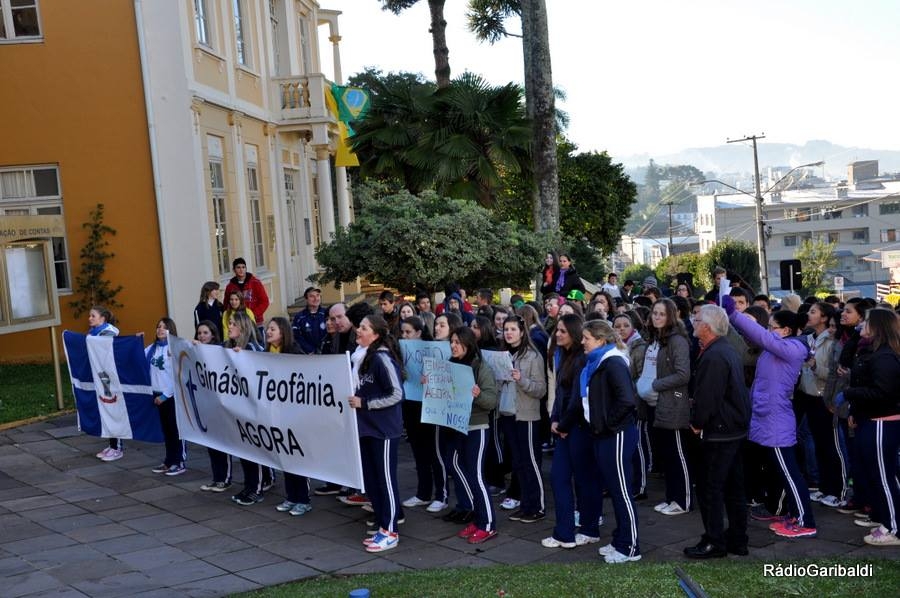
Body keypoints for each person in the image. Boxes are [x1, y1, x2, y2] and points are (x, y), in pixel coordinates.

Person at [724, 296, 817, 538]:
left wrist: (734, 315)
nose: (768, 331)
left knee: (790, 473)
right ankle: (795, 514)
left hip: (777, 420)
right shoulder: (779, 348)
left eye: (772, 327)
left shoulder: (792, 348)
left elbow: (761, 337)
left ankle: (805, 521)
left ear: (785, 330)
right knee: (783, 471)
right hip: (769, 418)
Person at [683, 304, 751, 558]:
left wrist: (697, 422)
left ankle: (715, 541)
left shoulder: (714, 355)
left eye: (697, 318)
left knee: (711, 488)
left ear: (707, 327)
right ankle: (737, 538)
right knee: (733, 488)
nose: (693, 321)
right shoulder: (723, 349)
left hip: (720, 431)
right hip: (732, 428)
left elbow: (708, 397)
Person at [581, 319, 641, 563]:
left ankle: (630, 547)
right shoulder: (600, 362)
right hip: (606, 434)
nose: (582, 341)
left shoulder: (613, 362)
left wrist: (607, 425)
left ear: (601, 340)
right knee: (616, 491)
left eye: (587, 337)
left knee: (622, 491)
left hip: (616, 435)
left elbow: (627, 400)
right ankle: (620, 538)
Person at [542, 314, 603, 549]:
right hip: (566, 427)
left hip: (578, 429)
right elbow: (560, 394)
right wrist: (555, 419)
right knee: (560, 478)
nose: (557, 334)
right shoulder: (564, 356)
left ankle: (586, 529)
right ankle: (566, 532)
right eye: (556, 330)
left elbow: (579, 399)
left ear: (575, 335)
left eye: (563, 331)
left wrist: (563, 425)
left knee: (584, 480)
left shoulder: (580, 360)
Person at [842, 308, 900, 546]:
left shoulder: (884, 356)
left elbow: (882, 393)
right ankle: (886, 518)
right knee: (880, 475)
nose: (861, 325)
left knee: (884, 476)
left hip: (882, 423)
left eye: (866, 321)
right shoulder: (872, 351)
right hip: (872, 420)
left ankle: (894, 528)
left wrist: (849, 393)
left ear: (877, 326)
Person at [348, 315, 405, 553]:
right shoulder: (360, 358)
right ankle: (383, 525)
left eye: (363, 328)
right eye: (359, 327)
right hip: (366, 429)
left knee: (385, 481)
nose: (357, 331)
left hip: (383, 430)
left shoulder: (382, 359)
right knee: (372, 481)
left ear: (376, 335)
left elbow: (396, 394)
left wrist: (365, 403)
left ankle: (391, 530)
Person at [448, 327, 500, 544]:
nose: (453, 345)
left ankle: (488, 524)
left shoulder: (481, 367)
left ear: (468, 345)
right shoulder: (451, 365)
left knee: (477, 477)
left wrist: (477, 395)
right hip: (457, 426)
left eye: (457, 342)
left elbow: (490, 401)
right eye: (451, 341)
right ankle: (478, 520)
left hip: (476, 427)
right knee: (467, 474)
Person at [642, 299, 693, 516]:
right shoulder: (658, 339)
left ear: (671, 316)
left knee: (678, 454)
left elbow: (683, 374)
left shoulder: (677, 340)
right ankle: (671, 497)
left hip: (674, 404)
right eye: (655, 313)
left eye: (662, 314)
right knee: (667, 455)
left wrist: (655, 384)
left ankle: (682, 500)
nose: (657, 317)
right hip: (659, 403)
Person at [794, 302, 845, 507]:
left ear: (824, 318)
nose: (809, 314)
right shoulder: (809, 338)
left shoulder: (831, 341)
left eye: (813, 312)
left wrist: (814, 365)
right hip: (808, 395)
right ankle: (824, 488)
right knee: (819, 445)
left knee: (831, 445)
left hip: (825, 397)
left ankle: (838, 489)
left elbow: (831, 374)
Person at [500, 314, 548, 523]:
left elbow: (541, 389)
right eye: (506, 329)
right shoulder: (502, 354)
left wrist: (522, 380)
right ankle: (525, 504)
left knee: (531, 462)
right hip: (508, 413)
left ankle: (537, 506)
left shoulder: (532, 356)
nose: (508, 333)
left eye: (512, 329)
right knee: (518, 463)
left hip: (527, 415)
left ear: (522, 331)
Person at [265, 317, 313, 517]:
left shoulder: (293, 351)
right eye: (268, 328)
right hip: (277, 413)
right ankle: (291, 496)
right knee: (284, 456)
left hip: (294, 414)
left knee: (297, 457)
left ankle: (303, 499)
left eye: (272, 329)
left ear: (283, 332)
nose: (268, 331)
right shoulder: (266, 353)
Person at [224, 311, 268, 506]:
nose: (229, 326)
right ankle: (249, 486)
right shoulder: (230, 347)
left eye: (233, 323)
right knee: (243, 449)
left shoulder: (251, 348)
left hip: (252, 409)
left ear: (242, 327)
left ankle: (256, 489)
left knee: (253, 451)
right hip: (239, 408)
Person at [194, 321, 234, 493]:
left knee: (222, 443)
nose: (202, 336)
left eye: (205, 333)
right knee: (211, 443)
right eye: (199, 333)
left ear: (213, 334)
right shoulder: (196, 351)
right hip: (206, 405)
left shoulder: (219, 351)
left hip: (219, 405)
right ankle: (216, 477)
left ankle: (225, 479)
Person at [147, 318, 187, 476]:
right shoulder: (152, 348)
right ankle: (169, 460)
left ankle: (179, 461)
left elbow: (177, 375)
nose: (160, 329)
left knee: (176, 430)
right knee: (166, 431)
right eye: (158, 327)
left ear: (171, 330)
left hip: (170, 396)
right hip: (156, 395)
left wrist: (165, 395)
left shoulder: (174, 348)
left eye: (164, 327)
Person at [88, 306, 125, 462]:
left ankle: (117, 448)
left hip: (111, 377)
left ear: (102, 318)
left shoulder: (109, 331)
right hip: (101, 376)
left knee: (113, 409)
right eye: (90, 316)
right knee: (106, 409)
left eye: (93, 316)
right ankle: (111, 445)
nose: (89, 318)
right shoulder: (93, 333)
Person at [224, 257, 269, 326]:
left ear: (246, 268)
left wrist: (253, 314)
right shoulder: (230, 287)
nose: (241, 270)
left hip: (255, 321)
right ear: (234, 270)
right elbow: (226, 305)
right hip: (237, 323)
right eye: (238, 267)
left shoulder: (255, 283)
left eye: (243, 267)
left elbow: (265, 301)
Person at [291, 286, 327, 354]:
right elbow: (296, 336)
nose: (316, 298)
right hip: (307, 355)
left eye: (318, 295)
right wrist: (310, 350)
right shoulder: (299, 317)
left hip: (326, 353)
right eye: (312, 296)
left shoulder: (326, 313)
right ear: (306, 299)